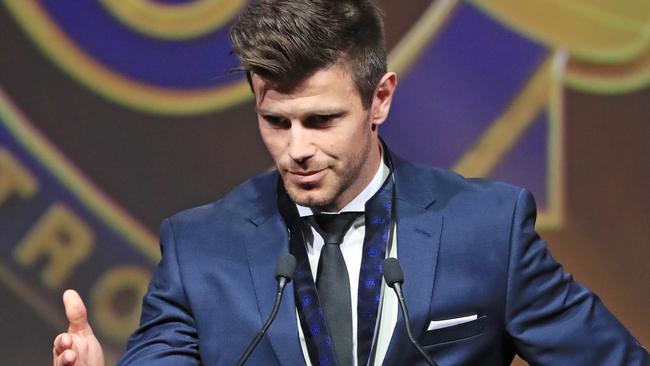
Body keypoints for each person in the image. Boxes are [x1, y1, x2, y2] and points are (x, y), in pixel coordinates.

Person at [53, 1, 648, 365]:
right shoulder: (197, 247)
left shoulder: (488, 229)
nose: (297, 149)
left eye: (321, 120)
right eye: (275, 122)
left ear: (379, 98)